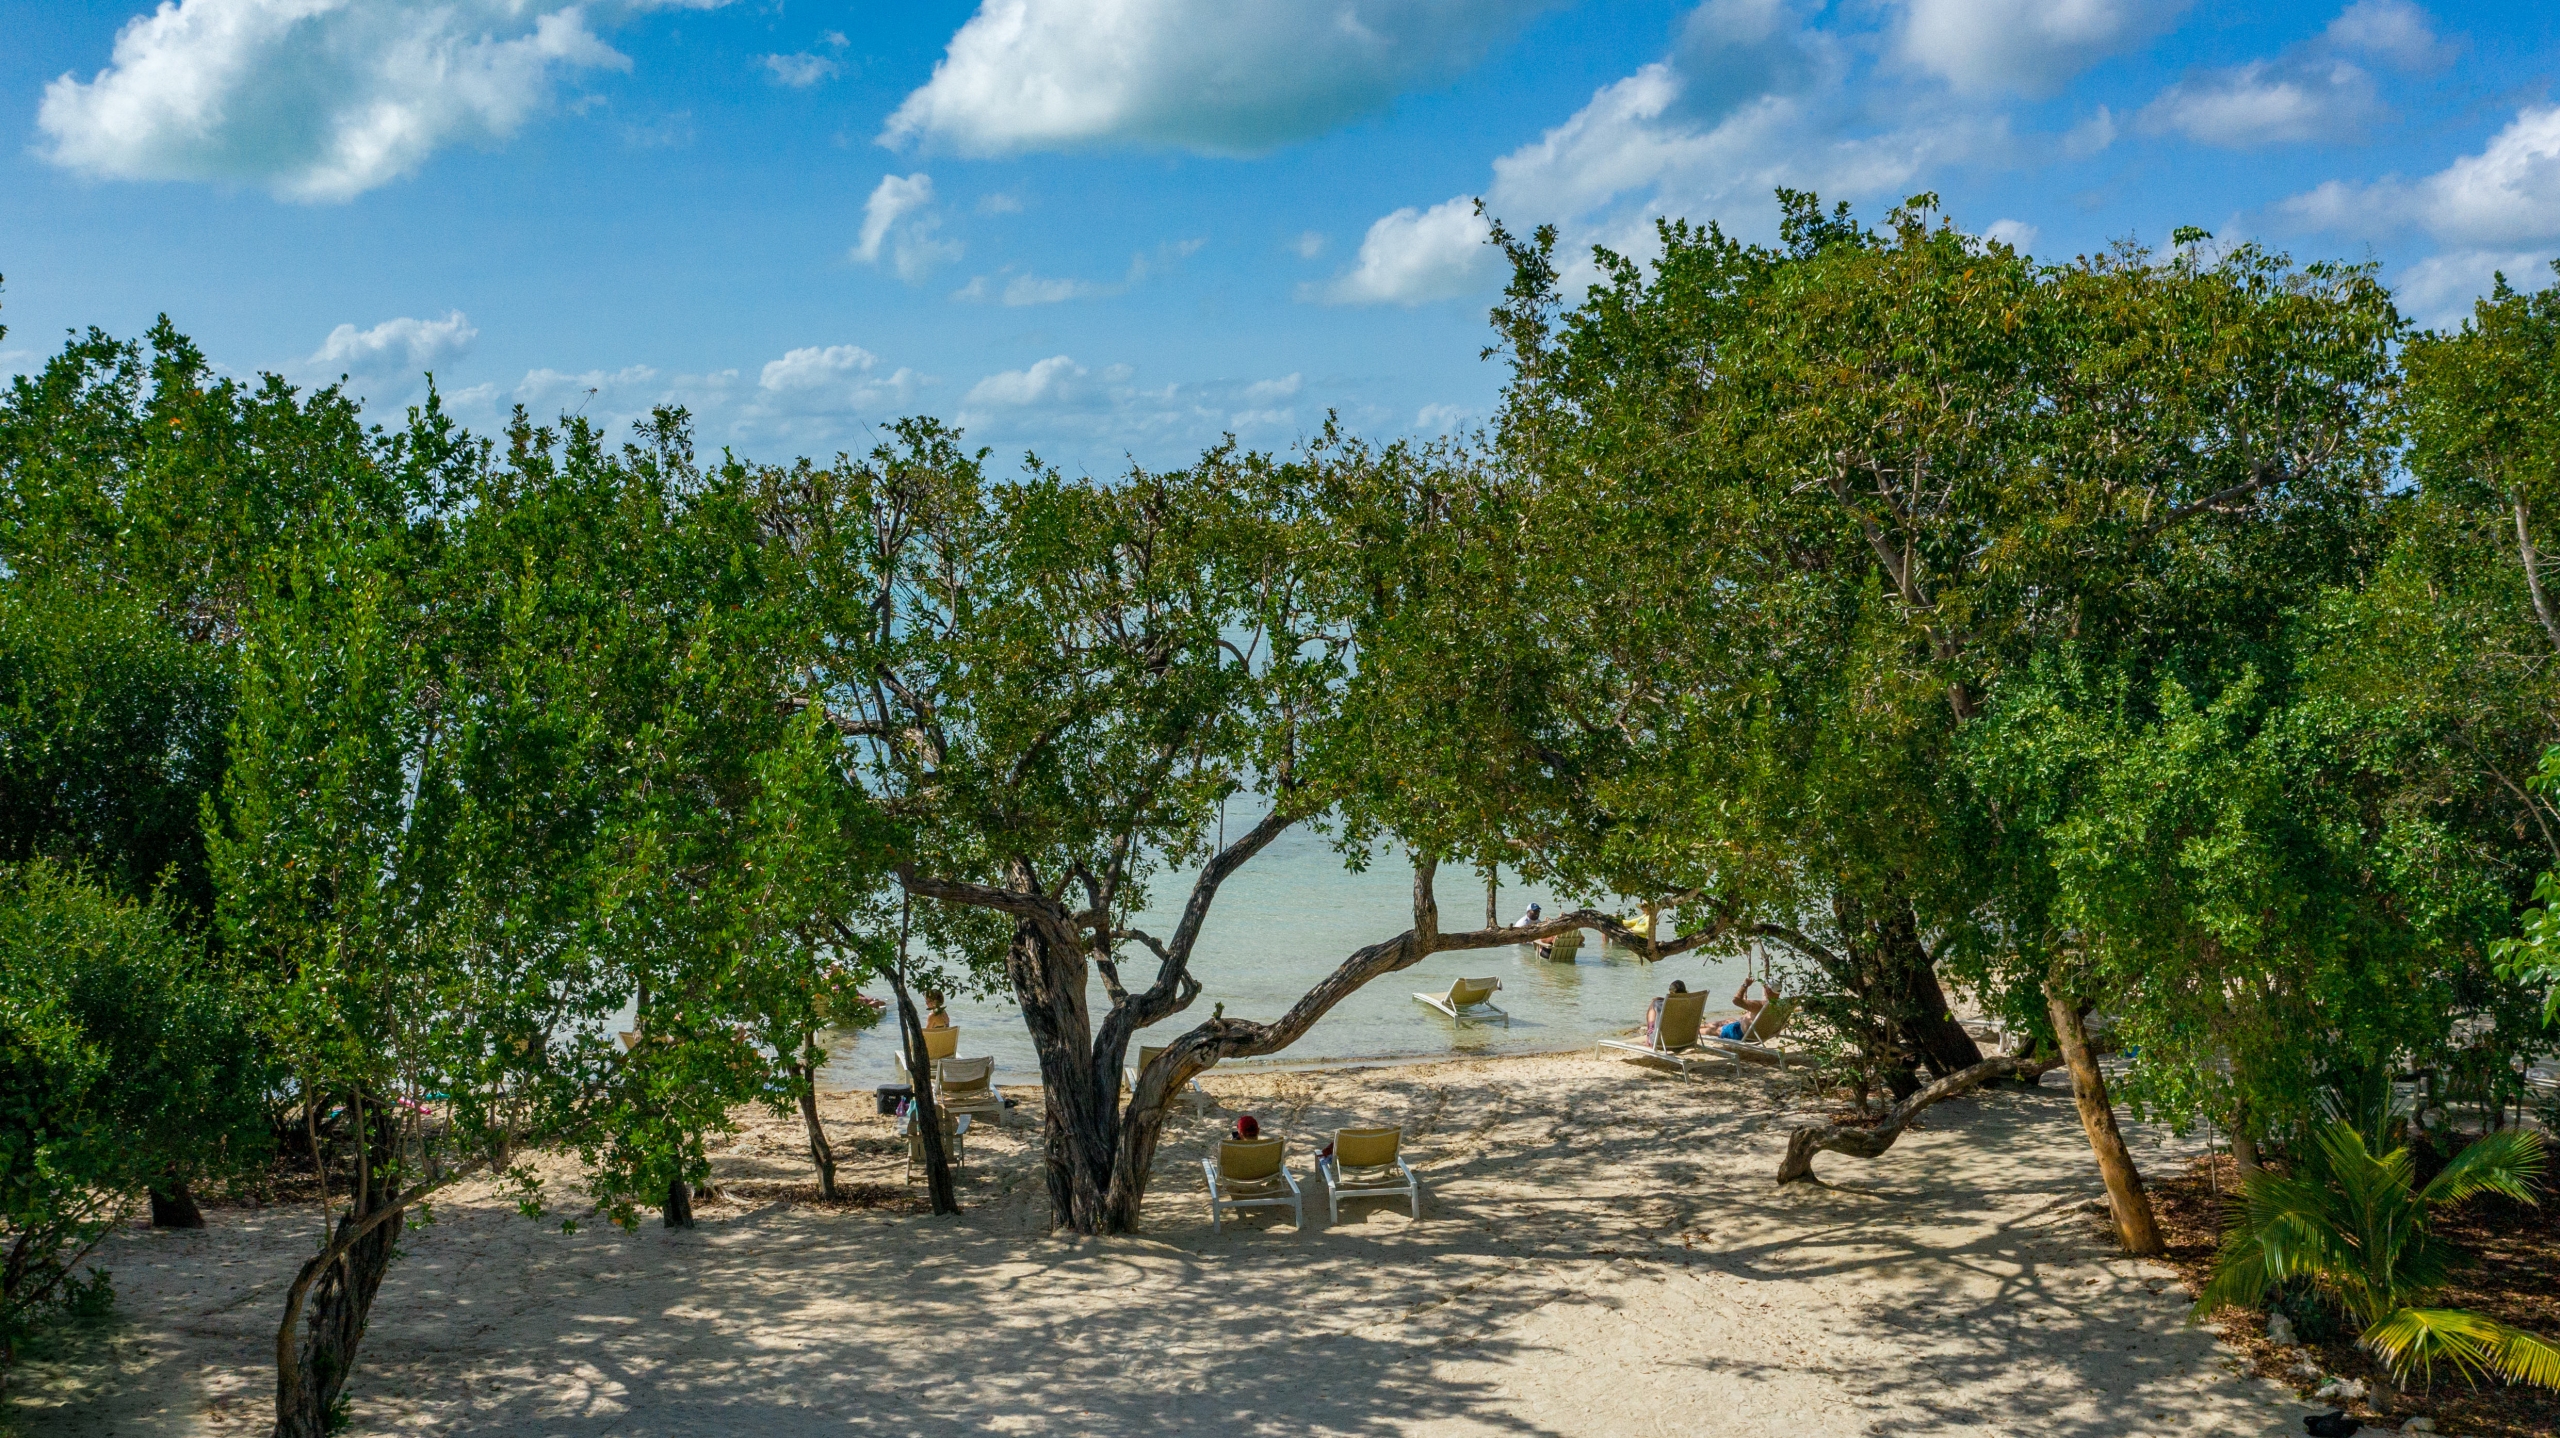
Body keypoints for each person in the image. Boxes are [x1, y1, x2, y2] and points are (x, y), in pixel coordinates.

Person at [1717, 977, 1777, 1042]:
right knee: (1727, 1021)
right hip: (1762, 1034)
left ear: (1768, 990)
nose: (1764, 988)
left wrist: (1745, 985)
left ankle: (1704, 1037)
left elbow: (1736, 1001)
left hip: (1744, 1035)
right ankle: (1703, 1025)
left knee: (1715, 1030)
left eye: (1765, 987)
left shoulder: (1760, 1005)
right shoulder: (1782, 1005)